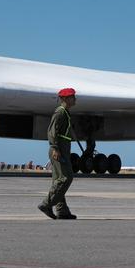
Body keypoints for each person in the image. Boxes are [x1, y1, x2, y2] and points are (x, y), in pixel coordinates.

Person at [38, 87, 77, 220]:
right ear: (65, 99)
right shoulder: (60, 113)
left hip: (62, 149)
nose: (75, 99)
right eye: (72, 97)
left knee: (58, 180)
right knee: (65, 178)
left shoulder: (65, 112)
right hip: (58, 150)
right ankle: (46, 204)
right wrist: (55, 148)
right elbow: (52, 131)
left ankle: (62, 211)